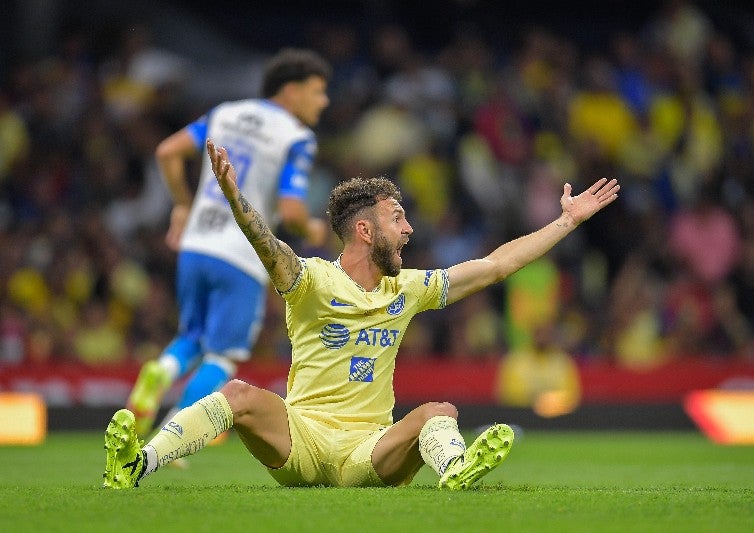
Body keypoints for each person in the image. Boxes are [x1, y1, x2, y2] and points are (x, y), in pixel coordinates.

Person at [103, 140, 620, 490]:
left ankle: (458, 468)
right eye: (398, 217)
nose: (410, 229)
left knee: (438, 412)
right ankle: (138, 463)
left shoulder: (409, 288)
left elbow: (496, 264)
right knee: (238, 395)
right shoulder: (311, 280)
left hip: (368, 450)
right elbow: (269, 248)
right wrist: (236, 200)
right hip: (300, 438)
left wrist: (565, 222)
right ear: (365, 232)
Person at [124, 48, 332, 438]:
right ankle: (176, 434)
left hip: (196, 245)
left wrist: (184, 205)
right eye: (318, 91)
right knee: (223, 355)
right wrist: (313, 230)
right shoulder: (297, 138)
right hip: (241, 257)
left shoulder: (224, 113)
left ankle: (162, 370)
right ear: (291, 91)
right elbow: (290, 212)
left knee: (191, 336)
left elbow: (167, 152)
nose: (324, 101)